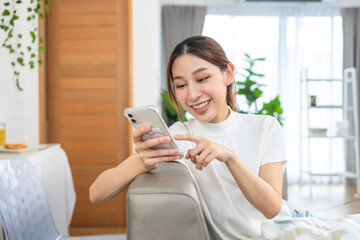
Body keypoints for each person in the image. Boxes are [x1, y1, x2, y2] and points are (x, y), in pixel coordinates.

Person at [89, 35, 291, 240]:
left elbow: (272, 208)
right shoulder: (178, 137)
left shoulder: (265, 126)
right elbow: (96, 193)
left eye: (202, 79)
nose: (192, 94)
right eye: (181, 85)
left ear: (228, 74)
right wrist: (140, 162)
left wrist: (230, 158)